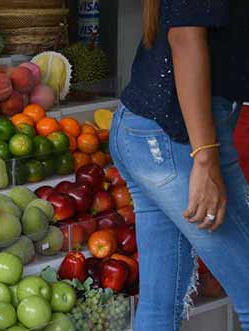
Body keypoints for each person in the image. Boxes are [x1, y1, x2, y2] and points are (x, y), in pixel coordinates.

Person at [109, 0, 249, 330]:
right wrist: (205, 157)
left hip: (149, 132)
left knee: (159, 306)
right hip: (177, 139)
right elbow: (185, 38)